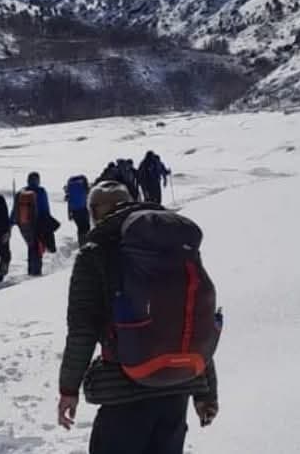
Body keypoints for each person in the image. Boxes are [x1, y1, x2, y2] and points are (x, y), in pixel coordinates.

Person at [57, 181, 220, 454]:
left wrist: (68, 389)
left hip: (124, 390)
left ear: (96, 211)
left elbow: (82, 330)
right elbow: (192, 319)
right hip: (177, 386)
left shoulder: (95, 252)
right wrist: (206, 393)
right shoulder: (175, 248)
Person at [11, 171, 52, 276]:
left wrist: (11, 224)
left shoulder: (20, 192)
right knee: (37, 247)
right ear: (37, 180)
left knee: (31, 246)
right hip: (38, 223)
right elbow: (45, 208)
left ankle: (31, 270)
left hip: (24, 225)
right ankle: (36, 272)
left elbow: (14, 211)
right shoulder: (41, 191)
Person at [64, 174, 92, 246]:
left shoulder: (71, 183)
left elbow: (69, 200)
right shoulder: (83, 181)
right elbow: (88, 196)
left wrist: (69, 213)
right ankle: (87, 245)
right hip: (83, 209)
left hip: (75, 211)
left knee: (80, 228)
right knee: (86, 228)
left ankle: (82, 245)